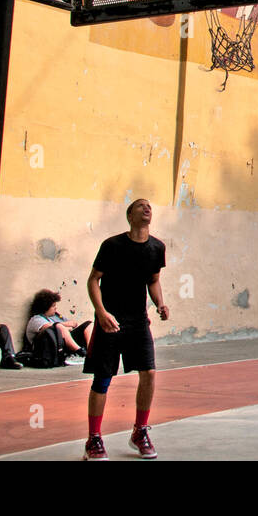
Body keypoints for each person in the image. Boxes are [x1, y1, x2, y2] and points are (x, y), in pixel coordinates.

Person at [83, 198, 169, 461]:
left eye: (149, 207)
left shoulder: (157, 248)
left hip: (138, 321)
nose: (147, 209)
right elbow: (93, 280)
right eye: (140, 206)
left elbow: (153, 280)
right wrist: (101, 312)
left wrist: (160, 303)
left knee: (150, 373)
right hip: (110, 320)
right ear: (129, 215)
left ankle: (140, 431)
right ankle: (93, 439)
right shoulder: (112, 246)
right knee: (103, 379)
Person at [26, 289, 92, 359]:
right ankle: (80, 352)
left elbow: (73, 325)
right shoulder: (36, 319)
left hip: (64, 342)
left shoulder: (56, 316)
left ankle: (91, 350)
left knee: (88, 324)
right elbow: (54, 328)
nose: (56, 308)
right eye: (53, 306)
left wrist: (67, 327)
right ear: (45, 307)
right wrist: (66, 326)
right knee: (58, 326)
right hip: (48, 348)